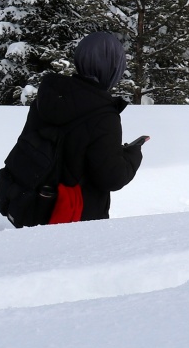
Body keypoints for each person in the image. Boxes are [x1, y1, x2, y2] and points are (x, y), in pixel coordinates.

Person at [17, 31, 145, 222]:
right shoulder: (104, 116)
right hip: (74, 218)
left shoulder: (50, 97)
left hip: (34, 204)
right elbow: (111, 177)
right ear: (113, 68)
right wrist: (133, 154)